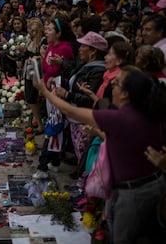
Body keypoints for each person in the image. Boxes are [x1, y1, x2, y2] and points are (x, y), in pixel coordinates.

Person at [33, 65, 166, 243]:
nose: (112, 86)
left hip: (133, 194)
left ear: (126, 93)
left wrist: (44, 91)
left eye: (117, 83)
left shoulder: (121, 118)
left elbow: (71, 111)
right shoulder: (149, 114)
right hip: (151, 186)